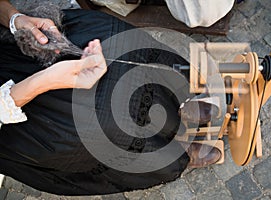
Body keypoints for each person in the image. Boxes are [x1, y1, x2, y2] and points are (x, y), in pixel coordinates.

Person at [0, 0, 220, 195]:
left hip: (8, 51)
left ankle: (175, 108)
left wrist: (15, 18)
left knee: (114, 37)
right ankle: (172, 158)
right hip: (10, 118)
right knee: (101, 125)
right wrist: (46, 80)